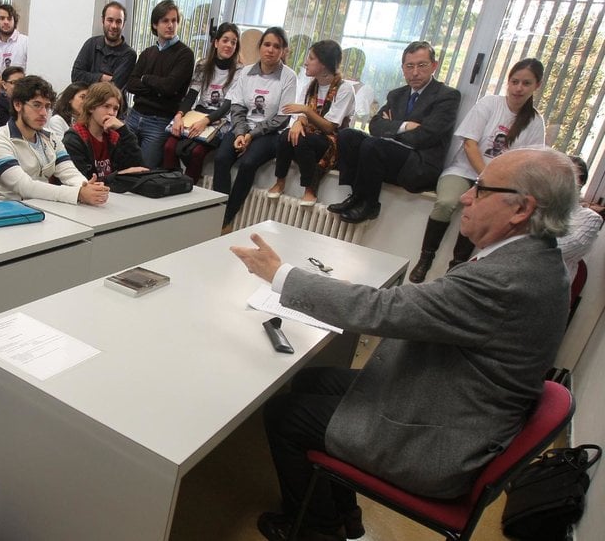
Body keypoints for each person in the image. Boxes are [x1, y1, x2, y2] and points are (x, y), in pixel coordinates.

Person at [231, 148, 577, 541]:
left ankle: (314, 530)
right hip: (453, 402)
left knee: (285, 413)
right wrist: (344, 291)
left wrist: (280, 276)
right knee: (314, 381)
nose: (464, 197)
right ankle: (344, 515)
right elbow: (432, 307)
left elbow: (383, 313)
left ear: (521, 209)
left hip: (441, 441)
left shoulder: (508, 279)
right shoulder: (532, 261)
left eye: (479, 190)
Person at [408, 58, 546, 282]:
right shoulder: (489, 104)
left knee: (483, 213)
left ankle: (457, 267)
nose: (519, 88)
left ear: (536, 86)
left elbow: (527, 162)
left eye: (526, 83)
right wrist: (485, 177)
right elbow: (470, 144)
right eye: (515, 81)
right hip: (464, 171)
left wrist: (494, 184)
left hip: (500, 184)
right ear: (508, 82)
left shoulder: (535, 122)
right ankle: (425, 258)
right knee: (445, 203)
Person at [330, 41, 460, 224]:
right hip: (390, 156)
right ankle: (356, 195)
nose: (415, 72)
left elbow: (426, 136)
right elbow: (375, 125)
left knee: (374, 144)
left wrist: (391, 127)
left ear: (434, 66)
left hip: (419, 165)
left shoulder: (447, 96)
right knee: (348, 136)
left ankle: (370, 204)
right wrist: (405, 126)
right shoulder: (397, 94)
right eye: (410, 66)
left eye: (422, 65)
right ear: (403, 68)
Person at [213, 27, 297, 232]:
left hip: (269, 133)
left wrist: (252, 135)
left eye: (276, 46)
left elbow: (283, 118)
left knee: (248, 164)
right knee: (221, 159)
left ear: (283, 51)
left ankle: (226, 219)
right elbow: (237, 106)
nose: (270, 50)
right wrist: (241, 133)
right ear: (260, 47)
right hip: (243, 127)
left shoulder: (289, 77)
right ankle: (216, 212)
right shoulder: (246, 72)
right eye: (267, 44)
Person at [0, 75, 109, 205]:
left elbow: (69, 171)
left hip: (47, 209)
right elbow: (24, 187)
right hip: (12, 215)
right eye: (37, 105)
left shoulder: (50, 137)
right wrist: (78, 193)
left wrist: (85, 186)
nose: (44, 113)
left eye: (47, 106)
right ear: (17, 105)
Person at [268, 40, 356, 206]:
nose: (305, 62)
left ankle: (310, 188)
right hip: (310, 135)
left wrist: (306, 112)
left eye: (311, 58)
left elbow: (330, 127)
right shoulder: (310, 85)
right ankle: (280, 182)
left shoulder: (344, 89)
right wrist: (298, 122)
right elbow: (300, 114)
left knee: (302, 140)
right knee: (286, 135)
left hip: (332, 142)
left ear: (324, 64)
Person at [163, 22, 242, 184]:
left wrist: (205, 121)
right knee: (169, 146)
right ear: (216, 42)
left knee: (197, 152)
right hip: (198, 113)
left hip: (220, 119)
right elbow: (191, 95)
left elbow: (228, 105)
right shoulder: (203, 65)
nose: (229, 45)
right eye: (225, 40)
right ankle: (170, 183)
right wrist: (179, 116)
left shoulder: (240, 70)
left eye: (233, 42)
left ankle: (188, 188)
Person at [125, 0, 195, 170]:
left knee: (143, 171)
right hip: (134, 116)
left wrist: (146, 78)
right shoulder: (148, 53)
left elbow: (169, 87)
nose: (171, 25)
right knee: (121, 165)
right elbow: (131, 84)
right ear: (155, 24)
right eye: (165, 21)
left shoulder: (185, 54)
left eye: (174, 20)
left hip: (159, 122)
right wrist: (157, 86)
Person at [62, 82, 149, 180]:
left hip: (115, 192)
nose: (111, 113)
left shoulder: (115, 137)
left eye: (115, 108)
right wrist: (119, 175)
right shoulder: (74, 139)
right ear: (91, 107)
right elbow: (83, 183)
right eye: (106, 106)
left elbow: (139, 169)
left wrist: (124, 131)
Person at [71, 2, 137, 102]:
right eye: (110, 20)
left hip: (111, 110)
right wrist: (103, 77)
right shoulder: (91, 43)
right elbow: (76, 76)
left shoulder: (129, 55)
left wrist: (89, 77)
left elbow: (113, 89)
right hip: (86, 105)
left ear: (123, 24)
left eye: (118, 21)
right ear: (103, 20)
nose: (114, 26)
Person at [559, 155, 602, 281]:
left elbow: (561, 249)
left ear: (581, 182)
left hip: (550, 285)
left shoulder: (591, 219)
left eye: (570, 174)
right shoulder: (535, 205)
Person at [0, 4, 29, 98]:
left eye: (9, 18)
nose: (6, 22)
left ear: (14, 21)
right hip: (3, 91)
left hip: (22, 90)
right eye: (2, 18)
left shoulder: (25, 41)